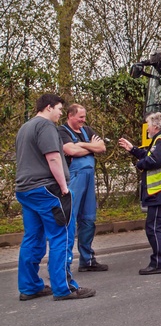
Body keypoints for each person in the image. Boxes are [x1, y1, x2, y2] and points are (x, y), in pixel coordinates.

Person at [15, 93, 96, 301]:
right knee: (62, 235)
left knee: (32, 237)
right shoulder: (46, 127)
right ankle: (64, 287)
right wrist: (64, 187)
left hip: (26, 190)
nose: (61, 113)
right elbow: (52, 157)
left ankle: (30, 286)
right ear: (49, 107)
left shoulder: (25, 128)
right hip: (48, 190)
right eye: (60, 109)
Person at [118, 112, 161, 275]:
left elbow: (154, 160)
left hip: (159, 192)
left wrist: (140, 165)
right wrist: (132, 149)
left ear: (155, 126)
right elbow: (149, 154)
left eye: (148, 125)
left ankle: (158, 263)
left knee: (153, 227)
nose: (147, 128)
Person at [59, 104, 108, 272]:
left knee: (88, 219)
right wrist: (89, 146)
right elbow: (69, 149)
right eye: (80, 117)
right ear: (70, 116)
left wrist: (81, 145)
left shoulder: (87, 129)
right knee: (70, 219)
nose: (83, 120)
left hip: (88, 179)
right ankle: (63, 265)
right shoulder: (62, 131)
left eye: (84, 116)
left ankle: (87, 261)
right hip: (74, 178)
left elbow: (101, 148)